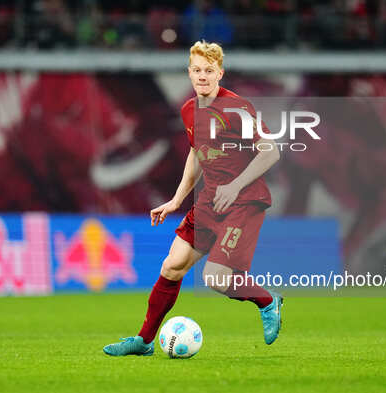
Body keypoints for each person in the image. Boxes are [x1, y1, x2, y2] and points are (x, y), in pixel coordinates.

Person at [103, 40, 282, 356]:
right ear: (189, 73)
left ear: (220, 73)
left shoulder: (237, 108)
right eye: (197, 70)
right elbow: (196, 155)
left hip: (243, 201)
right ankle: (143, 342)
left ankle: (267, 301)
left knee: (215, 278)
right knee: (171, 267)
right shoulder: (188, 110)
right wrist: (176, 200)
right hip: (210, 201)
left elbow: (271, 151)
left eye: (209, 71)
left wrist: (236, 185)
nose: (202, 76)